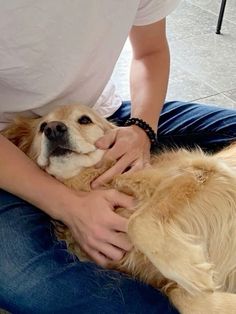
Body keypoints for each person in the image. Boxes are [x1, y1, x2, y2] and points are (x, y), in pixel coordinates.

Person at [0, 1, 236, 313]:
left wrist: (141, 128)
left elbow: (150, 52)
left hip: (108, 118)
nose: (55, 130)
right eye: (49, 129)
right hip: (9, 147)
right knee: (32, 285)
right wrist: (69, 206)